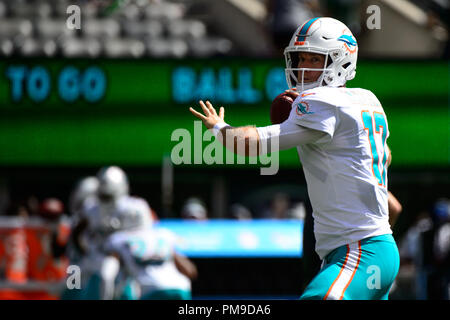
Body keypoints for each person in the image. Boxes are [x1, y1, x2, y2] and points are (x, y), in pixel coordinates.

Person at [189, 17, 400, 300]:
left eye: (315, 59)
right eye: (301, 58)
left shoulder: (322, 102)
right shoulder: (368, 100)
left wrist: (219, 128)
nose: (304, 67)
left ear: (341, 62)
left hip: (358, 252)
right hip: (375, 249)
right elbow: (385, 169)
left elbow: (253, 145)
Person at [102, 202, 198, 300]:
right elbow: (189, 270)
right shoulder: (163, 234)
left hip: (149, 289)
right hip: (180, 287)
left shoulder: (118, 239)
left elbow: (107, 274)